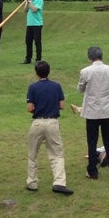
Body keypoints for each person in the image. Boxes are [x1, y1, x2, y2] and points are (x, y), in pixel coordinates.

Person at [25, 61, 73, 195]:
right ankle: (59, 182)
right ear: (49, 71)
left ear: (36, 73)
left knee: (33, 153)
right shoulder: (56, 86)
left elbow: (30, 108)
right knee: (57, 153)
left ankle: (32, 182)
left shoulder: (32, 87)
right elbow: (62, 105)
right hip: (52, 122)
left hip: (38, 122)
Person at [77, 46, 109, 179]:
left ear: (90, 57)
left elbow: (80, 89)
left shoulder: (85, 71)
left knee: (92, 141)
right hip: (107, 109)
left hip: (92, 111)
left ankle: (92, 170)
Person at [22, 0, 44, 64]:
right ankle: (28, 58)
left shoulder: (39, 0)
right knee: (28, 41)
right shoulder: (28, 1)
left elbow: (34, 9)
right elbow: (25, 11)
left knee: (37, 41)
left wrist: (30, 2)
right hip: (29, 24)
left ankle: (38, 59)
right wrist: (27, 3)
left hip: (37, 24)